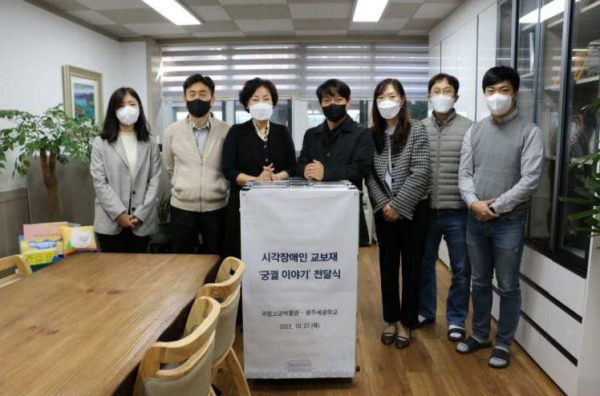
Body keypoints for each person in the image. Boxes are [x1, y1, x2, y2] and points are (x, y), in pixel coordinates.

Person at [457, 65, 544, 368]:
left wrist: (495, 208)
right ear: (484, 94)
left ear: (515, 93)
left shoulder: (529, 132)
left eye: (503, 90)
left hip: (508, 223)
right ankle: (481, 334)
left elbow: (530, 179)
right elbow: (465, 173)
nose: (496, 97)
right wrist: (473, 204)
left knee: (507, 285)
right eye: (491, 91)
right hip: (475, 220)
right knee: (479, 281)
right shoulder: (475, 130)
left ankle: (504, 342)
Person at [366, 78, 431, 350]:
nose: (386, 102)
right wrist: (384, 205)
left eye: (391, 96)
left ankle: (407, 323)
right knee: (387, 267)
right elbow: (368, 174)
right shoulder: (371, 134)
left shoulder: (417, 130)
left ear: (402, 99)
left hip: (415, 209)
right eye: (381, 97)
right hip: (384, 211)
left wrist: (399, 205)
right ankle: (391, 320)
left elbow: (421, 171)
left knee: (413, 267)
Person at [418, 73, 473, 342]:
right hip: (425, 210)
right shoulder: (418, 128)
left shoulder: (470, 128)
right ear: (429, 96)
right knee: (424, 264)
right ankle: (426, 311)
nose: (442, 95)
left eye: (447, 90)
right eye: (436, 90)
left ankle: (456, 319)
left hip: (458, 211)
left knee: (461, 268)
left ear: (456, 97)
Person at [222, 78, 297, 258]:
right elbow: (228, 170)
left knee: (272, 252)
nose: (261, 103)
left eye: (266, 98)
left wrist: (276, 177)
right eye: (255, 99)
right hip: (242, 204)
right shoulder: (236, 132)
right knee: (242, 252)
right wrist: (257, 180)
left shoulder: (282, 132)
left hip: (276, 204)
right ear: (247, 104)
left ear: (273, 102)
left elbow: (292, 166)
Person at [296, 79, 373, 245]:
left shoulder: (362, 133)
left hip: (346, 210)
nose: (333, 105)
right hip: (313, 209)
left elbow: (362, 169)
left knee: (346, 266)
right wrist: (306, 170)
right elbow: (301, 164)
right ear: (320, 104)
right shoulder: (311, 134)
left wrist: (326, 173)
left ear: (348, 102)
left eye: (338, 100)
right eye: (327, 100)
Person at [163, 74, 230, 255]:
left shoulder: (226, 131)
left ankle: (215, 285)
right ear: (184, 98)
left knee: (216, 257)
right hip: (182, 208)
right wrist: (184, 185)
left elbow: (229, 167)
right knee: (182, 260)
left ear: (212, 99)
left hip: (216, 208)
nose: (197, 98)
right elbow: (170, 166)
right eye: (192, 94)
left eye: (203, 93)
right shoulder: (172, 132)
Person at [91, 87, 161, 253]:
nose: (127, 109)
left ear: (139, 108)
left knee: (139, 274)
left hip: (142, 222)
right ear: (113, 110)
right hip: (109, 221)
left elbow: (155, 180)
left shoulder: (150, 142)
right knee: (111, 274)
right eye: (121, 105)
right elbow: (99, 182)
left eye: (132, 104)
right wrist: (119, 214)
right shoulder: (101, 142)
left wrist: (141, 214)